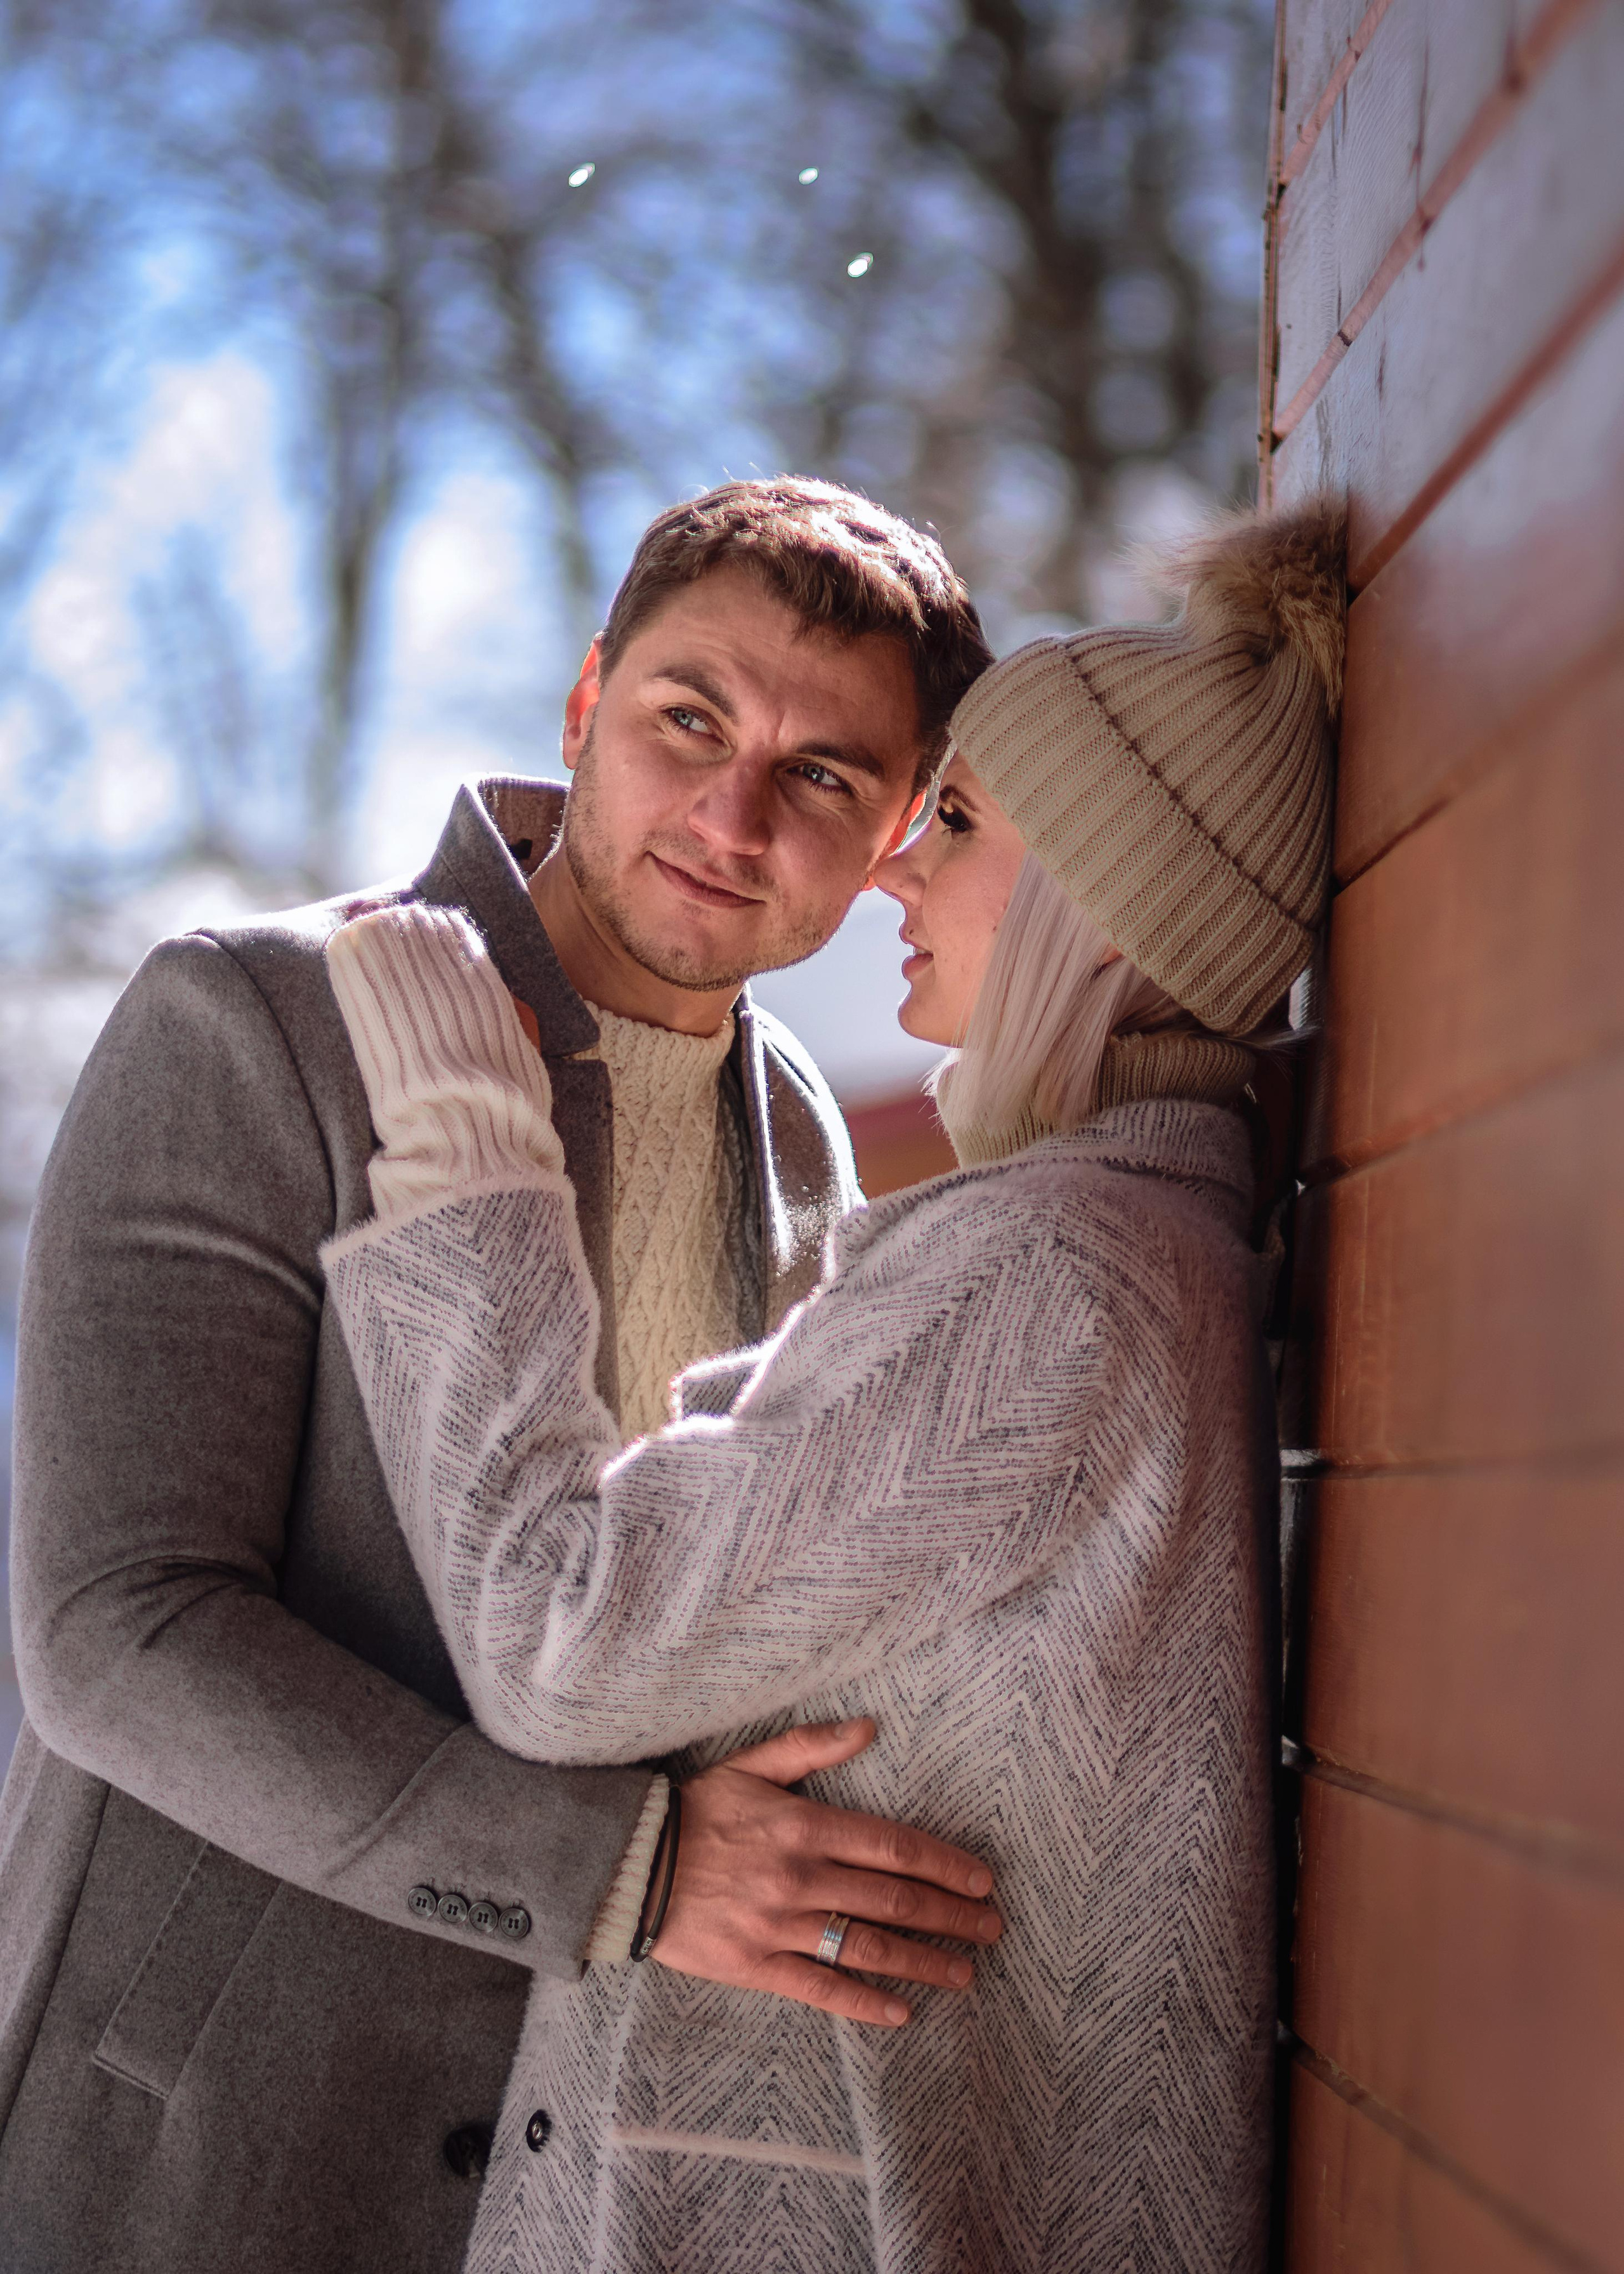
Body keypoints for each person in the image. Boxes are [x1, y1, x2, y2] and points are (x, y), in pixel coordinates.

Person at [318, 497, 1346, 2272]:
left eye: (950, 819)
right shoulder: (1124, 1245)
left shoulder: (1059, 1276)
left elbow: (565, 1639)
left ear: (1103, 905)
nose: (891, 866)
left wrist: (477, 1173)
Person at [1, 478, 999, 2274]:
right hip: (201, 2152)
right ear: (582, 704)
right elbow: (115, 1628)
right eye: (686, 719)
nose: (731, 810)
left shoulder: (805, 1146)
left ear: (900, 829)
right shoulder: (257, 1022)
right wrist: (629, 1873)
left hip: (582, 2172)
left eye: (825, 777)